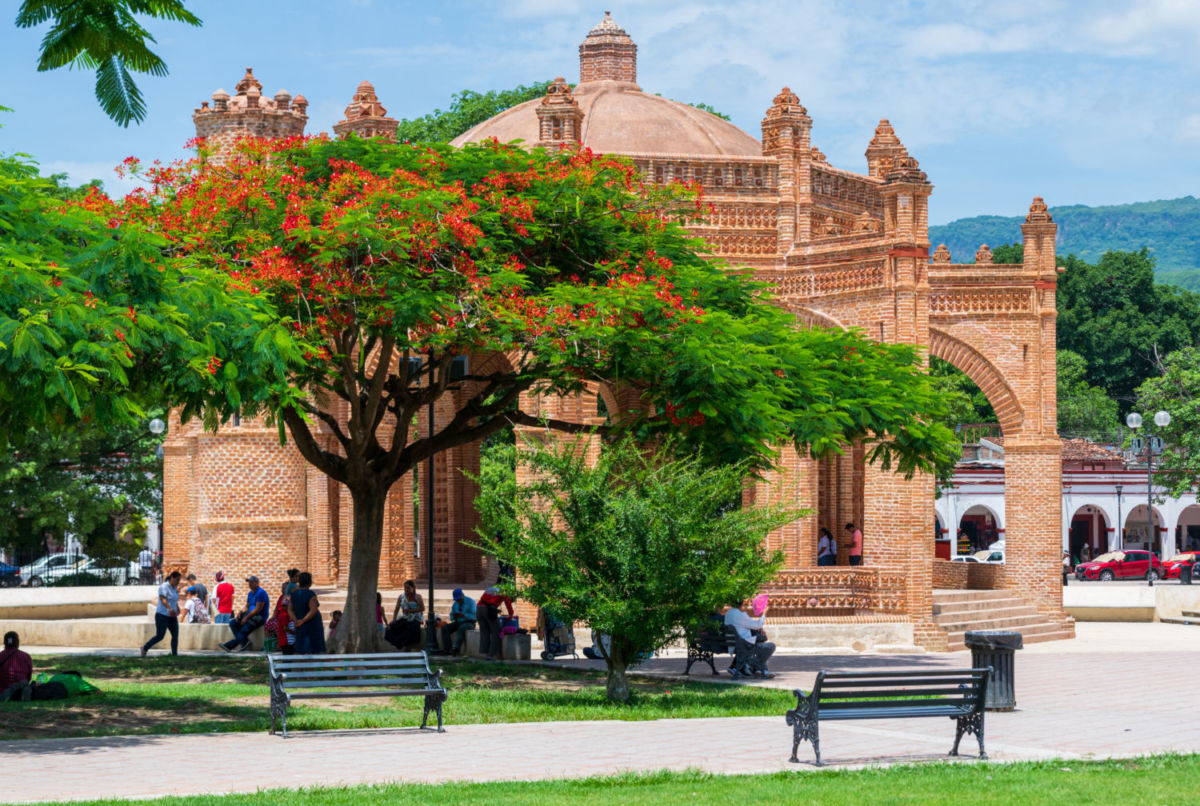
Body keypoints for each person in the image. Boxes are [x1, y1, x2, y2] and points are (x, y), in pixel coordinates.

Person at [724, 597, 775, 679]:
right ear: (742, 604)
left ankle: (758, 669)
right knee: (771, 646)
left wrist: (758, 628)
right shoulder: (740, 615)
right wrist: (764, 613)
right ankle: (759, 667)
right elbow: (757, 625)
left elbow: (747, 626)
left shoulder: (728, 613)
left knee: (760, 637)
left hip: (733, 643)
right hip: (744, 644)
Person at [222, 575, 270, 652]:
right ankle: (245, 642)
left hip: (259, 617)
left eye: (252, 582)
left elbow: (258, 609)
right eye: (249, 582)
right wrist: (240, 613)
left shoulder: (261, 593)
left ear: (257, 583)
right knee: (233, 623)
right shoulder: (250, 593)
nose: (249, 584)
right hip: (250, 615)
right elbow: (247, 606)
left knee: (244, 630)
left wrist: (246, 618)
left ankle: (229, 646)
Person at [141, 570, 183, 657]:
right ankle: (145, 648)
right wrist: (169, 608)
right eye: (177, 580)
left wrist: (177, 608)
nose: (178, 582)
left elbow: (174, 600)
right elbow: (162, 599)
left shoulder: (175, 588)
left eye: (179, 580)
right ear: (172, 578)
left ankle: (174, 655)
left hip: (172, 616)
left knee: (175, 635)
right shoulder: (164, 587)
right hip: (162, 615)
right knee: (160, 636)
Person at [288, 572, 326, 655]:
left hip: (299, 623)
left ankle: (302, 663)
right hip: (311, 623)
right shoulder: (310, 594)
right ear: (310, 582)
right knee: (313, 649)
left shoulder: (294, 594)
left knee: (301, 649)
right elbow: (313, 610)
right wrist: (303, 620)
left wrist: (296, 620)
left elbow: (290, 610)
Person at [476, 586, 513, 661]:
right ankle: (491, 654)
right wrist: (510, 615)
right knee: (496, 632)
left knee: (484, 632)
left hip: (479, 608)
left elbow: (487, 600)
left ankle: (486, 653)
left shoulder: (492, 588)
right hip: (488, 610)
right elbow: (508, 605)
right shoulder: (505, 591)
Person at [386, 580, 424, 650]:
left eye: (408, 588)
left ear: (413, 588)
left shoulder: (418, 597)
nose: (406, 589)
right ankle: (399, 645)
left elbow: (422, 608)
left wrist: (410, 611)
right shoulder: (401, 597)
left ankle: (404, 646)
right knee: (390, 627)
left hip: (415, 619)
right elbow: (396, 609)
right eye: (405, 588)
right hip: (405, 618)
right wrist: (394, 619)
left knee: (409, 629)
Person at [439, 588, 476, 656]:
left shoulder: (471, 602)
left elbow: (474, 616)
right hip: (458, 622)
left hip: (469, 622)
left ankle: (456, 648)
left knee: (462, 628)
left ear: (463, 595)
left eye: (459, 599)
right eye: (457, 600)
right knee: (445, 628)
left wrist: (464, 615)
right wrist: (454, 616)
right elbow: (451, 616)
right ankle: (447, 649)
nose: (458, 601)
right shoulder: (455, 604)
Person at [0, 631, 34, 702]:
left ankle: (9, 692)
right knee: (24, 683)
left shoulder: (1, 656)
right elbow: (29, 676)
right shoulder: (26, 656)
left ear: (5, 642)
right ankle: (20, 689)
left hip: (3, 688)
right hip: (21, 687)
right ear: (17, 642)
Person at [272, 581, 294, 654]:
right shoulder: (284, 614)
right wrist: (294, 633)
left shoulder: (288, 597)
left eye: (284, 588)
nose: (282, 590)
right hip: (286, 642)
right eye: (282, 588)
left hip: (287, 640)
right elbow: (285, 628)